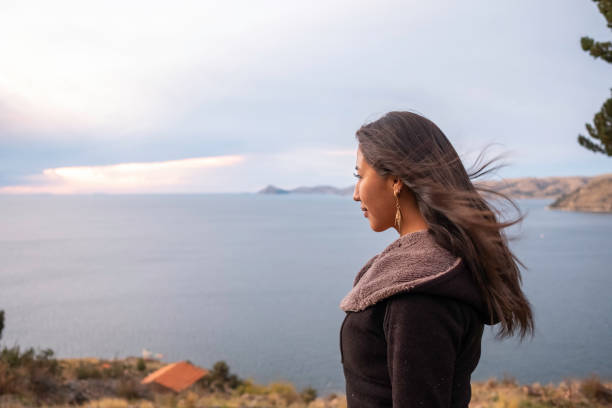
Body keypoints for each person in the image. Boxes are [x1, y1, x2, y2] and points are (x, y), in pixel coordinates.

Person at [339, 111, 534, 407]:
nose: (355, 194)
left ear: (395, 180)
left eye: (359, 176)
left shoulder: (419, 292)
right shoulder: (434, 270)